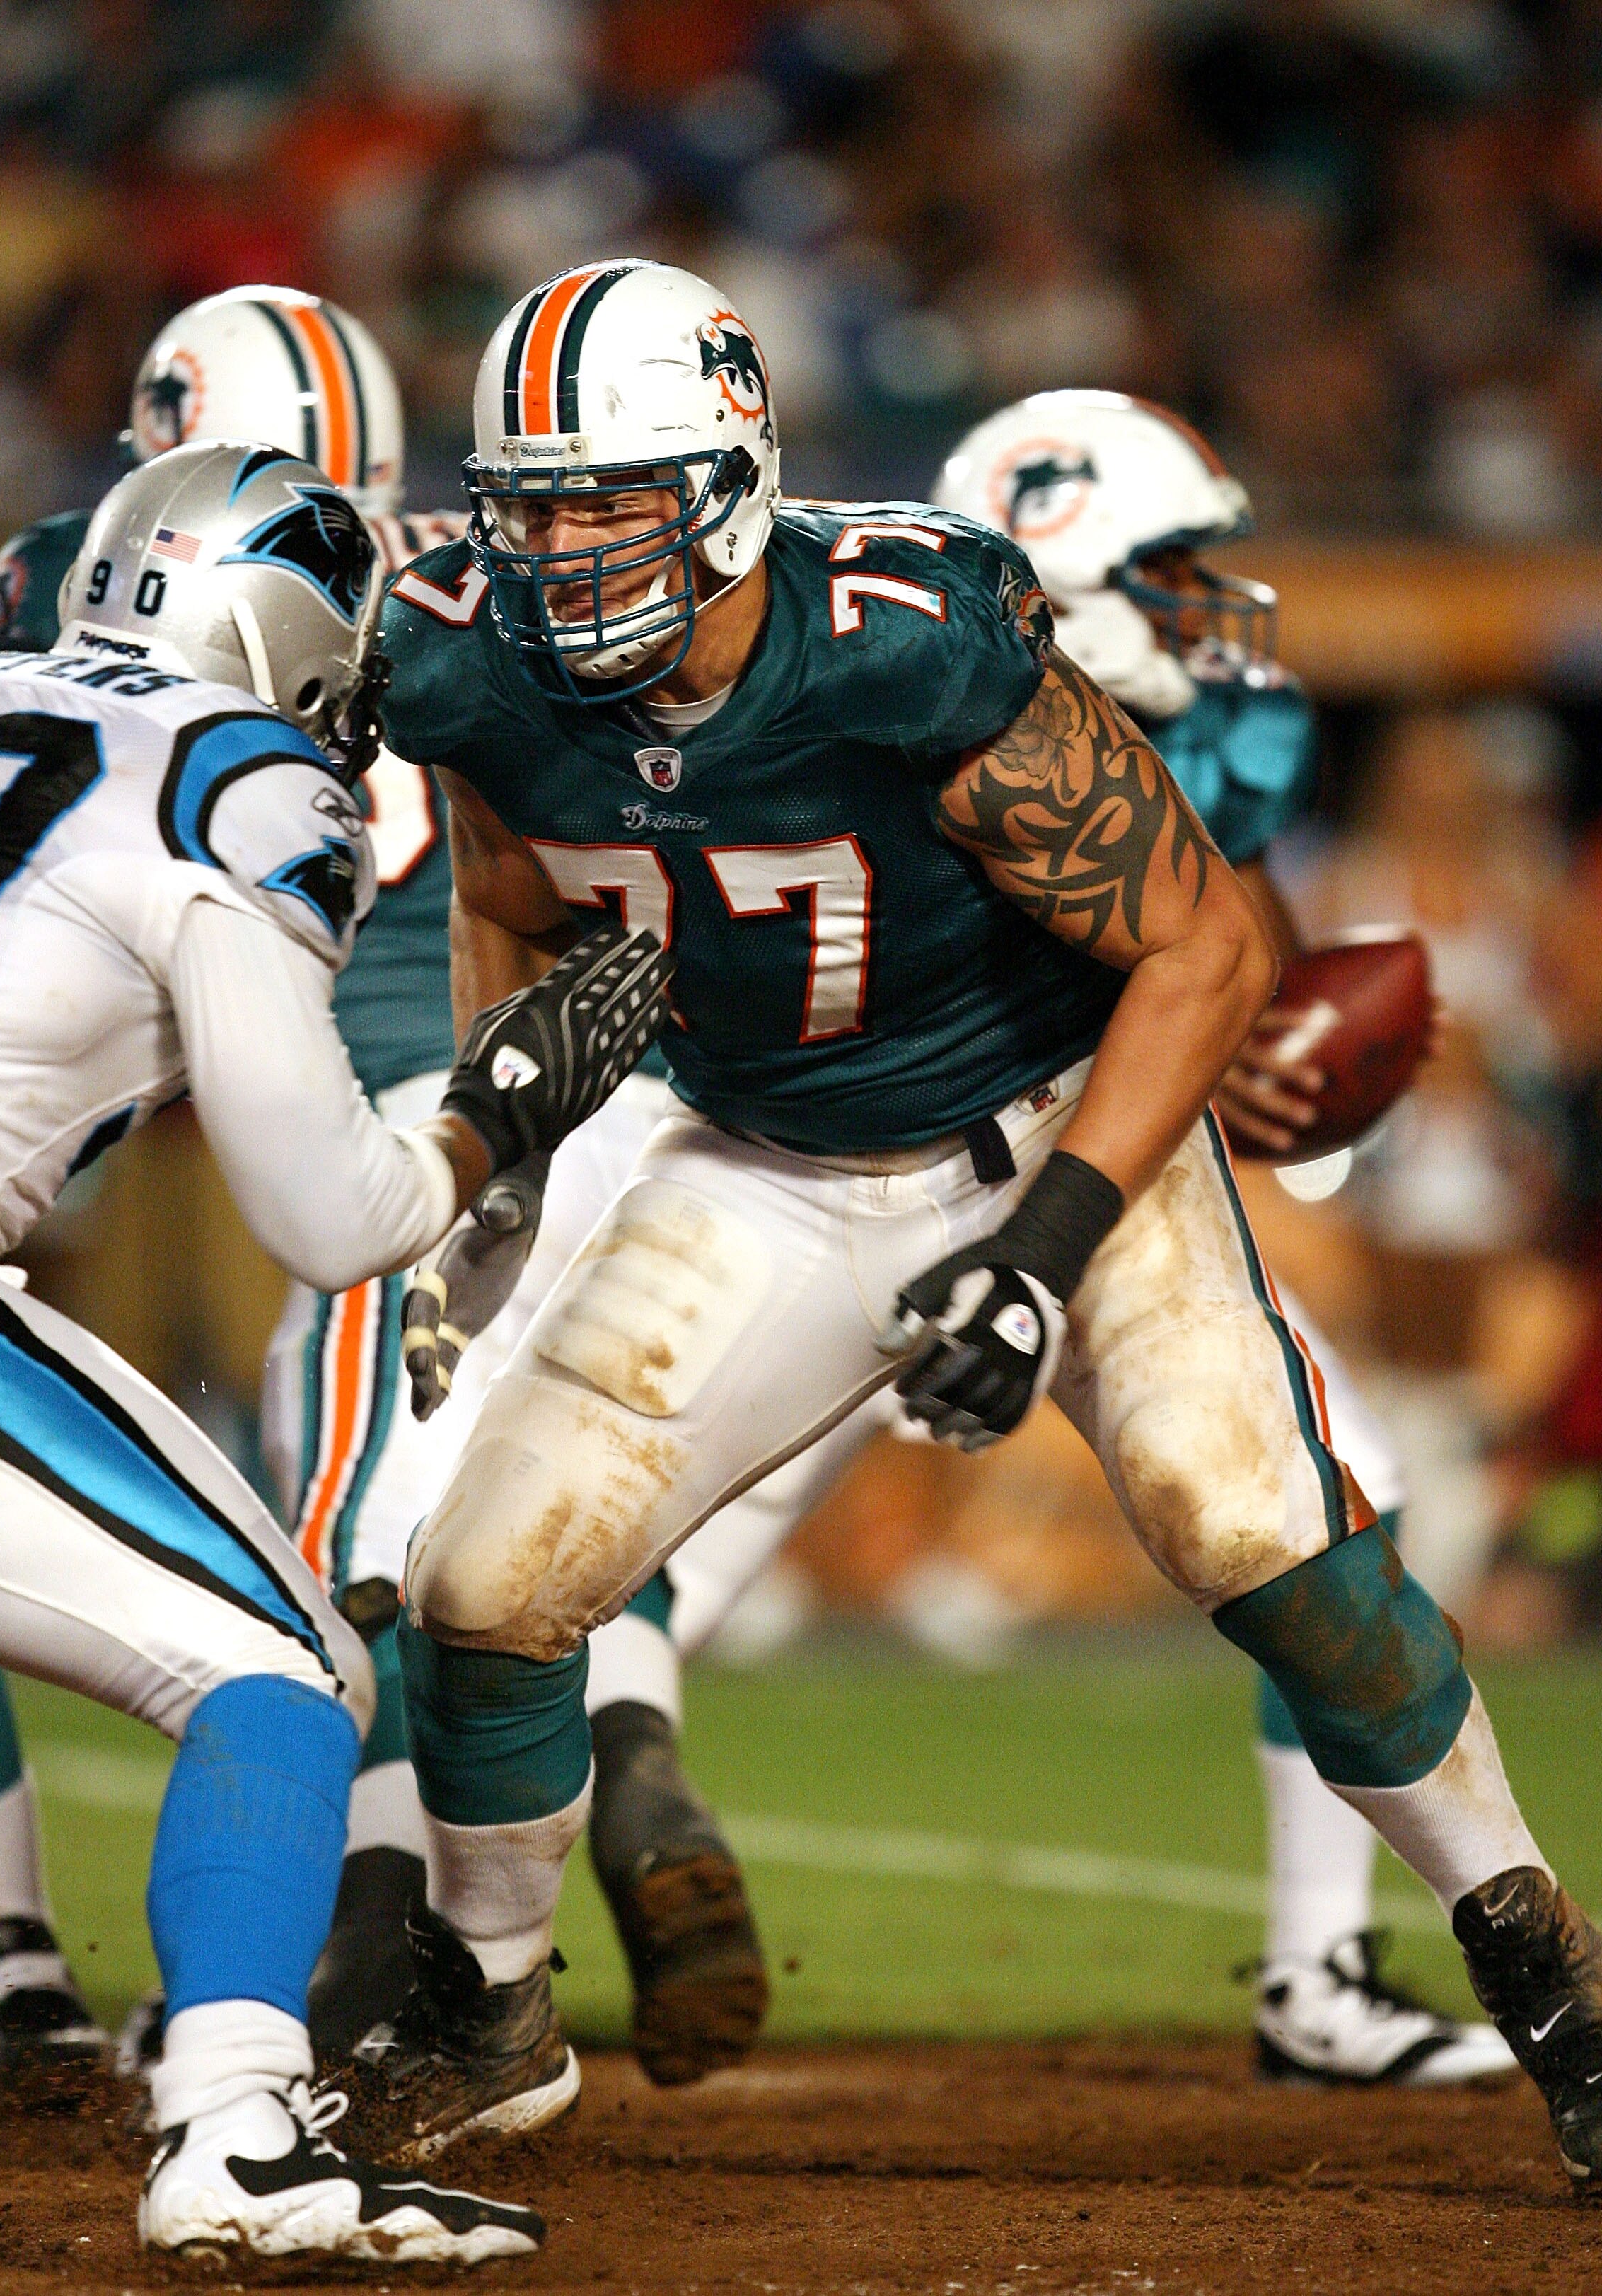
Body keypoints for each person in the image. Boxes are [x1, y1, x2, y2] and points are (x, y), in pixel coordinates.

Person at [352, 258, 1602, 2192]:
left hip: (1046, 1115)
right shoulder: (461, 657)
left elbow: (1200, 944)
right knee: (482, 1587)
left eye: (610, 501)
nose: (561, 553)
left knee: (1250, 1526)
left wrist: (1043, 1251)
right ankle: (490, 2013)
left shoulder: (904, 642)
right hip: (758, 1155)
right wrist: (504, 1148)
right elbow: (511, 882)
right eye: (533, 506)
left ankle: (1546, 1969)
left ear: (732, 484)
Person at [0, 283, 765, 2087]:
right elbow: (338, 1200)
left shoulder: (3, 647)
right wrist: (496, 1114)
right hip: (493, 1088)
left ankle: (56, 1956)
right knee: (335, 1610)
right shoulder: (387, 666)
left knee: (373, 1535)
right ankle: (293, 2036)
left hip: (367, 1096)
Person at [931, 388, 1516, 2085]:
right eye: (1172, 568)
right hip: (844, 1180)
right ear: (1062, 575)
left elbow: (1238, 964)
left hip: (1052, 1202)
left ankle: (1320, 1974)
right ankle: (446, 1936)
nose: (1208, 604)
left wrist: (1262, 1057)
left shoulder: (1167, 743)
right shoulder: (911, 729)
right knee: (602, 1558)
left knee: (1348, 1493)